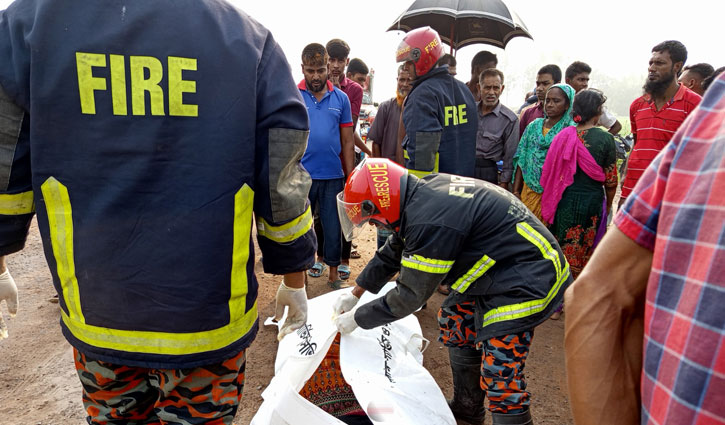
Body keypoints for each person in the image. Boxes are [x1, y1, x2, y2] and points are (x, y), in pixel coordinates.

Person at [0, 1, 316, 423]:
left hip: (100, 313)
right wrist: (294, 276)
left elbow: (4, 162)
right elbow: (281, 175)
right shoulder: (248, 40)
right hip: (207, 318)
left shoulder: (27, 26)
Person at [333, 158, 572, 425]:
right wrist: (355, 293)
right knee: (455, 320)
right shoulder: (419, 195)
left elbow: (409, 296)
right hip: (498, 266)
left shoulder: (430, 220)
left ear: (382, 203)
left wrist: (357, 319)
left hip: (529, 276)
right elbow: (394, 250)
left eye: (372, 219)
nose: (375, 226)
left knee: (500, 369)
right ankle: (467, 409)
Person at [564, 70, 725, 425]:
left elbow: (598, 293)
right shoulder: (705, 116)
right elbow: (611, 174)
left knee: (572, 255)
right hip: (601, 201)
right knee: (581, 250)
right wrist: (608, 203)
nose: (652, 69)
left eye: (660, 63)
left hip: (578, 202)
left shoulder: (706, 112)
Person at [541, 89, 618, 279]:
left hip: (564, 201)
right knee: (585, 247)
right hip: (590, 204)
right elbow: (611, 181)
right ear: (597, 111)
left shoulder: (562, 136)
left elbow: (550, 173)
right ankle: (578, 288)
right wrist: (608, 205)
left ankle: (558, 287)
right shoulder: (605, 138)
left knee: (562, 246)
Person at [299, 43, 354, 289]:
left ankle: (333, 275)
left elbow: (348, 139)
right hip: (301, 175)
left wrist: (351, 176)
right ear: (303, 69)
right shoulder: (293, 95)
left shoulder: (340, 98)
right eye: (310, 71)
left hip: (333, 175)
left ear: (327, 67)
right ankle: (298, 275)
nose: (316, 76)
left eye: (320, 70)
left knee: (333, 227)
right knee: (300, 227)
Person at [621, 40, 701, 205]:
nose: (652, 68)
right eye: (651, 63)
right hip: (633, 191)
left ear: (677, 66)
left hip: (670, 195)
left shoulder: (695, 105)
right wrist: (626, 175)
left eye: (659, 63)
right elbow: (638, 145)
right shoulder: (637, 105)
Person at [396, 26, 478, 178]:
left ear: (421, 58)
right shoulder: (464, 91)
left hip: (436, 192)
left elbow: (422, 158)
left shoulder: (421, 96)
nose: (405, 67)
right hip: (466, 188)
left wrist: (416, 193)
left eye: (408, 62)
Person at [513, 83, 576, 222]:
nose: (550, 104)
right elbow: (521, 159)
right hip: (528, 191)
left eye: (556, 101)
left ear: (567, 105)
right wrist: (516, 191)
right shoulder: (533, 126)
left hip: (554, 196)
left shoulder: (571, 131)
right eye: (548, 100)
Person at [369, 65, 412, 249]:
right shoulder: (387, 107)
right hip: (388, 184)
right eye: (401, 79)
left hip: (413, 182)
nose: (404, 84)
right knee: (385, 236)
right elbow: (375, 143)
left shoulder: (422, 110)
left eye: (409, 80)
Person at [474, 68, 520, 189]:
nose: (491, 92)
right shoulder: (468, 110)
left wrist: (504, 182)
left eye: (496, 88)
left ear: (502, 89)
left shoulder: (510, 119)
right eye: (487, 87)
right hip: (463, 169)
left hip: (488, 173)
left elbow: (510, 156)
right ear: (479, 88)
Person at [565, 61, 623, 135]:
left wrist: (599, 142)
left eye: (587, 80)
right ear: (568, 81)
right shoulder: (559, 101)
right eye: (581, 80)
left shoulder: (592, 103)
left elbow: (616, 126)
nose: (585, 84)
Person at [519, 64, 561, 135]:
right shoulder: (528, 113)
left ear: (557, 84)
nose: (539, 88)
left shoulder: (568, 115)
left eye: (545, 84)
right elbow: (520, 142)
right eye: (538, 84)